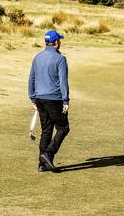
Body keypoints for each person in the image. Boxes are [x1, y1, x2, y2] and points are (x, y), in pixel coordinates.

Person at [28, 29, 70, 172]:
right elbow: (63, 82)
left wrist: (32, 96)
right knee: (63, 128)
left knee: (46, 131)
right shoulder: (60, 59)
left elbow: (31, 78)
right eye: (59, 40)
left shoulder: (37, 57)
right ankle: (48, 153)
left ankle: (42, 164)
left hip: (40, 98)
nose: (60, 42)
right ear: (56, 42)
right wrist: (66, 100)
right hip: (54, 99)